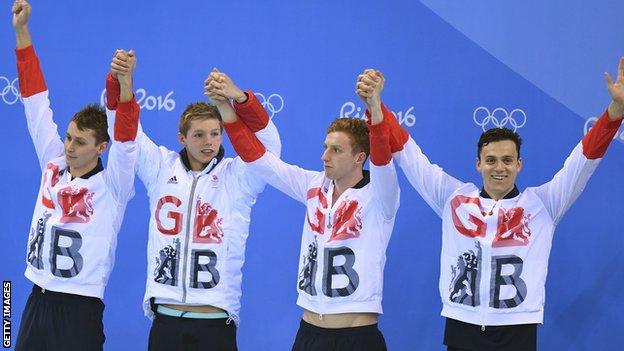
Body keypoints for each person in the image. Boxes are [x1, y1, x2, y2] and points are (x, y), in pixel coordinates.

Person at [356, 60, 624, 350]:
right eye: (491, 160)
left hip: (517, 332)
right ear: (478, 164)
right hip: (462, 328)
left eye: (508, 160)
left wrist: (615, 113)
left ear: (519, 164)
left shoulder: (543, 204)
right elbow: (409, 154)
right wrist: (376, 107)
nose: (500, 168)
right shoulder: (454, 198)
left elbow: (582, 161)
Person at [208, 68, 399, 351]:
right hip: (309, 334)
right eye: (325, 147)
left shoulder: (381, 194)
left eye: (336, 150)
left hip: (357, 337)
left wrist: (374, 107)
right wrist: (228, 104)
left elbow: (383, 156)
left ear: (360, 157)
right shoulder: (313, 185)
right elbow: (258, 159)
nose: (325, 156)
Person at [114, 63, 281, 350]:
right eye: (199, 135)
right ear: (182, 138)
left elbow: (270, 147)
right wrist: (125, 84)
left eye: (216, 133)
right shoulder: (160, 168)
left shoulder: (237, 176)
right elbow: (130, 134)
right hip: (165, 320)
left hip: (214, 322)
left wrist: (239, 98)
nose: (209, 142)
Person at [11, 1, 140, 350]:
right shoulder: (52, 163)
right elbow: (35, 101)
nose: (69, 146)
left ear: (101, 147)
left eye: (80, 142)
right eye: (69, 137)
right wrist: (22, 32)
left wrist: (125, 84)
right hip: (36, 299)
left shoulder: (113, 185)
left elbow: (127, 142)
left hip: (79, 308)